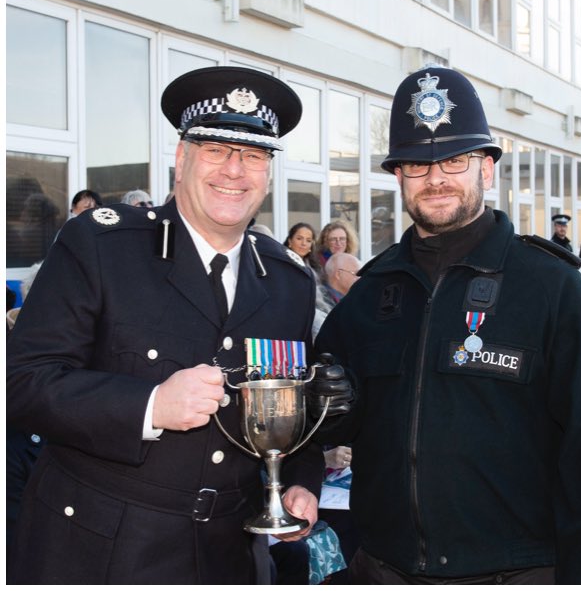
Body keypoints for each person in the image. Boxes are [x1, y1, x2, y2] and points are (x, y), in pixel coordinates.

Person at [6, 66, 353, 583]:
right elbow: (22, 383)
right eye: (215, 149)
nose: (235, 171)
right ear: (181, 158)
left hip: (231, 555)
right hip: (103, 550)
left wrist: (295, 484)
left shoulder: (288, 281)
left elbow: (286, 409)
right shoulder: (99, 247)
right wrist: (149, 406)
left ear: (269, 172)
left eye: (254, 156)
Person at [312, 66, 581, 584]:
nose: (436, 177)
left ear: (487, 168)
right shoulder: (371, 293)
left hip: (512, 571)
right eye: (417, 165)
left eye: (455, 160)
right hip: (385, 568)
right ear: (397, 176)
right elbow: (324, 422)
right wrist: (324, 410)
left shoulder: (552, 288)